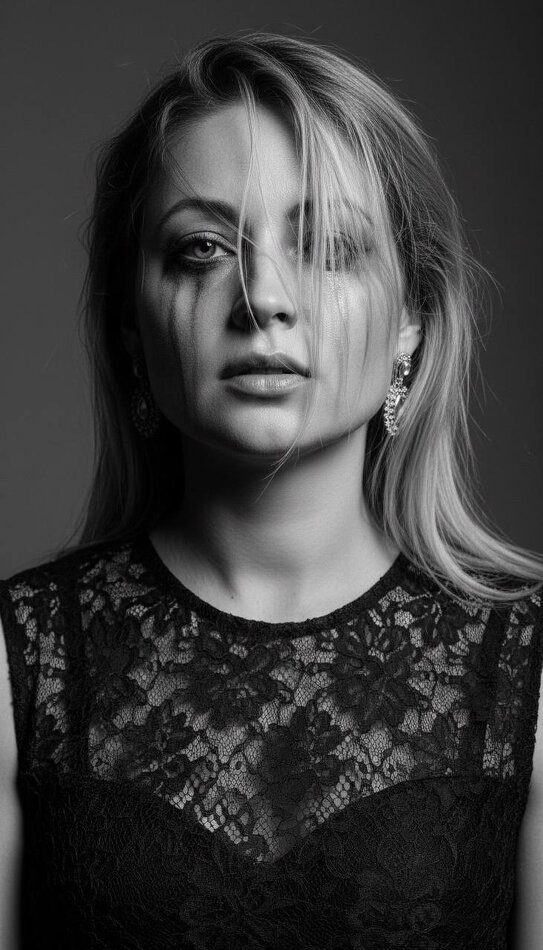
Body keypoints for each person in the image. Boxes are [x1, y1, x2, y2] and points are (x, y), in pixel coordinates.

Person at [0, 29, 542, 950]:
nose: (263, 298)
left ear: (411, 320)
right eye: (203, 247)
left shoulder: (527, 668)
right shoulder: (18, 664)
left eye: (327, 246)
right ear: (130, 327)